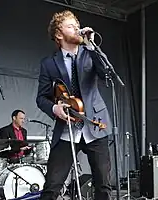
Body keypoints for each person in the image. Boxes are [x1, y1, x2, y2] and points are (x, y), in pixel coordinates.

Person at [36, 10, 112, 200]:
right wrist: (55, 109)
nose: (77, 29)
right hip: (67, 128)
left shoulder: (90, 53)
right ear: (59, 34)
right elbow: (42, 98)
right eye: (71, 26)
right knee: (52, 185)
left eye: (78, 26)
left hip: (95, 123)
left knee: (103, 184)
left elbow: (107, 75)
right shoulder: (48, 63)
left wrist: (92, 46)